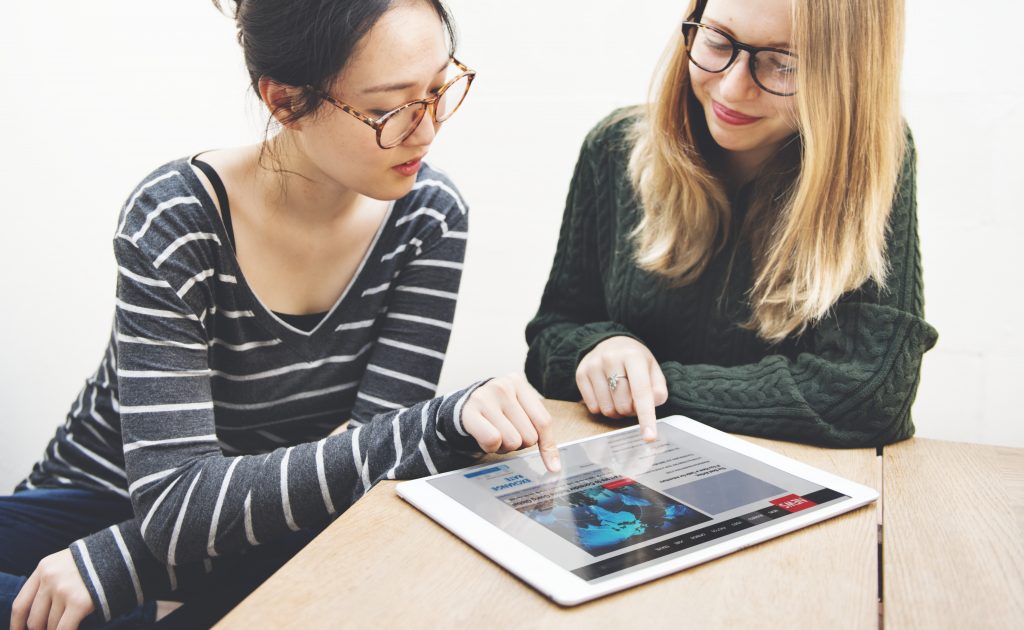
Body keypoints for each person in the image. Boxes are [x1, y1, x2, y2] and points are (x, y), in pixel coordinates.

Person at [3, 1, 559, 628]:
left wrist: (132, 561)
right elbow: (174, 501)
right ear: (285, 101)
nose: (426, 130)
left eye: (437, 89)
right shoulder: (177, 221)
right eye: (387, 109)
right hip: (90, 512)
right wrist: (434, 424)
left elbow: (370, 468)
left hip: (229, 534)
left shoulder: (426, 218)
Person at [525, 0, 938, 447]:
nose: (733, 87)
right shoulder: (614, 148)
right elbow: (552, 335)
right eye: (718, 41)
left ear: (848, 75)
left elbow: (869, 397)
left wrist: (649, 389)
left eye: (783, 64)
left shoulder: (874, 162)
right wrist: (598, 348)